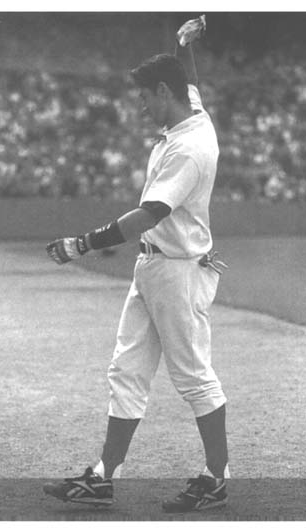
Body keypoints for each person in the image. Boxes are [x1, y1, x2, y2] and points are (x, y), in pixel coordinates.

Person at [43, 15, 229, 513]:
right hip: (153, 269)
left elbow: (148, 215)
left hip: (177, 272)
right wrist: (183, 44)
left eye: (146, 96)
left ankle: (216, 478)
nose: (141, 104)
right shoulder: (191, 116)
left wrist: (82, 244)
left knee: (193, 377)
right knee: (125, 371)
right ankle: (103, 477)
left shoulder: (190, 147)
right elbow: (189, 84)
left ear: (163, 92)